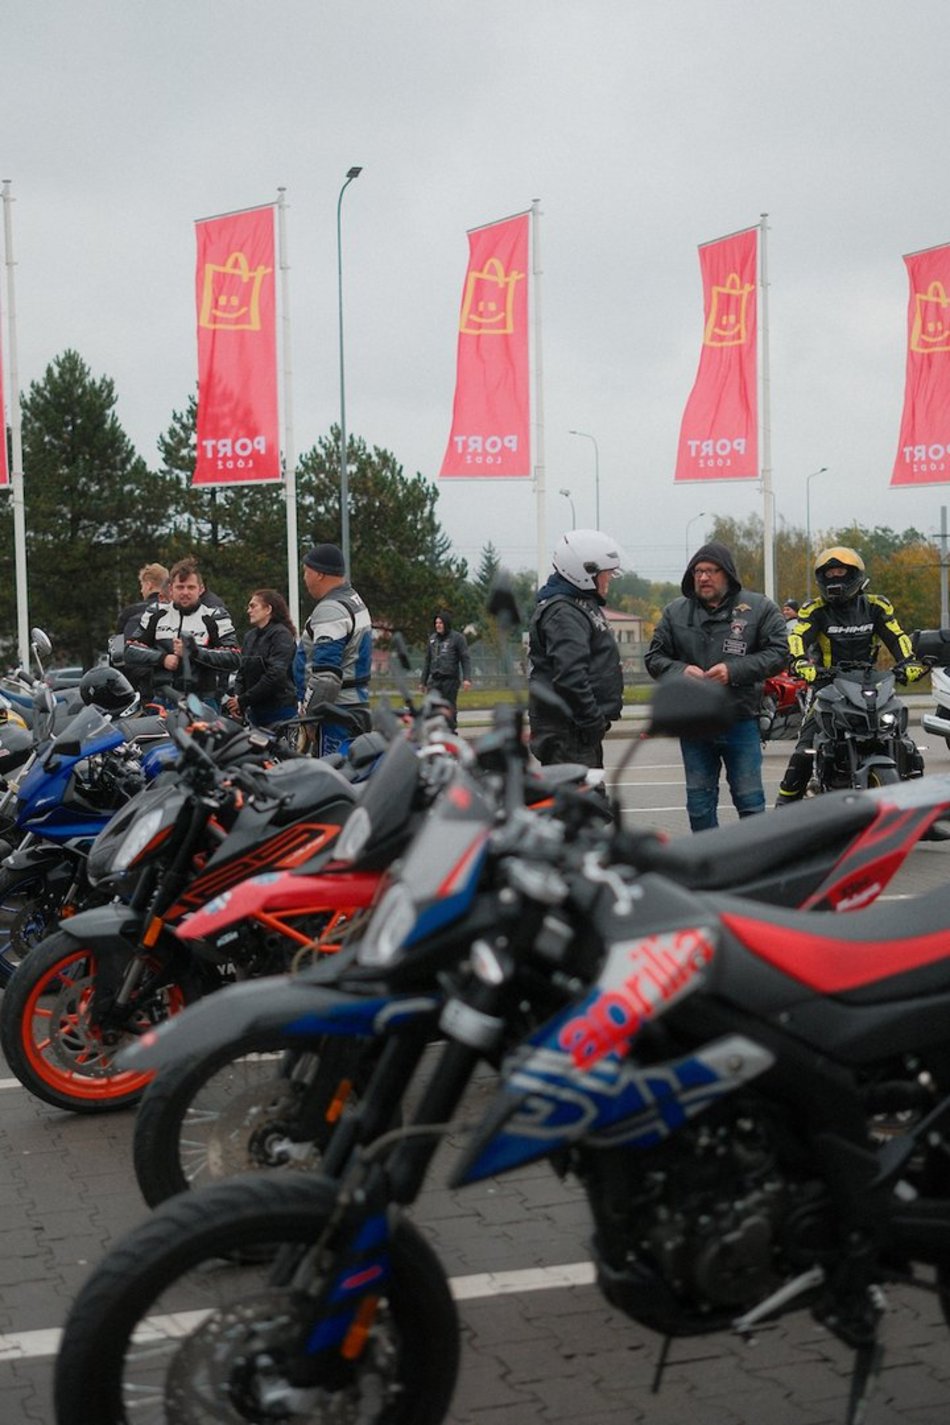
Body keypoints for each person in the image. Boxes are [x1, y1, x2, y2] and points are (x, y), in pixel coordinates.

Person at [645, 541, 788, 831]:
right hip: (695, 724)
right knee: (699, 803)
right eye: (698, 571)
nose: (703, 577)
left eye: (711, 571)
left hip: (740, 718)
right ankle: (707, 863)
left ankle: (756, 863)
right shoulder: (676, 612)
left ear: (728, 575)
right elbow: (654, 658)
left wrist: (733, 670)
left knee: (750, 802)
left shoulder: (759, 608)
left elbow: (779, 653)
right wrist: (681, 671)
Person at [776, 546, 927, 804]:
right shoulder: (814, 610)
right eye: (830, 573)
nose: (835, 578)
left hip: (871, 684)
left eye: (841, 572)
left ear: (855, 575)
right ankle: (783, 807)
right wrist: (801, 663)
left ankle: (923, 810)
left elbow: (897, 636)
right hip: (827, 685)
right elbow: (798, 636)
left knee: (905, 743)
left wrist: (909, 663)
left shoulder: (876, 606)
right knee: (804, 750)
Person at [527, 529, 624, 769]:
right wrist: (592, 721)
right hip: (568, 732)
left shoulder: (577, 606)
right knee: (583, 804)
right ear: (585, 572)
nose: (609, 578)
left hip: (574, 730)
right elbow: (570, 675)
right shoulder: (564, 613)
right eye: (605, 573)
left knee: (585, 802)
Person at [125, 555, 241, 706]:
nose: (185, 592)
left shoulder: (215, 616)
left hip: (202, 702)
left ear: (201, 589)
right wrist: (162, 658)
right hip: (163, 700)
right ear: (171, 589)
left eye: (191, 587)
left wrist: (195, 653)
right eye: (180, 587)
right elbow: (129, 650)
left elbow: (234, 658)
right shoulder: (155, 613)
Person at [294, 542, 373, 757]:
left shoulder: (331, 609)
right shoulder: (353, 598)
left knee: (333, 781)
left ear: (319, 574)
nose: (304, 578)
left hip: (336, 713)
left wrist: (309, 718)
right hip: (354, 706)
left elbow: (326, 677)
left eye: (306, 572)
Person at [223, 589, 297, 730]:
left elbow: (275, 675)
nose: (248, 611)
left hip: (280, 711)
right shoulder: (249, 637)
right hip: (255, 713)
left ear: (268, 609)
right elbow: (242, 672)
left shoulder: (282, 635)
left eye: (253, 606)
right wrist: (237, 701)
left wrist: (243, 700)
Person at [420, 611, 472, 730]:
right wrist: (423, 681)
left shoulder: (457, 638)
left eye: (441, 623)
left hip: (450, 680)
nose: (438, 625)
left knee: (448, 707)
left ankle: (451, 730)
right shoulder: (432, 639)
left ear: (446, 624)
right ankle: (434, 731)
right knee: (432, 707)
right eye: (436, 623)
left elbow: (465, 659)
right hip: (434, 680)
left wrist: (467, 678)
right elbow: (427, 661)